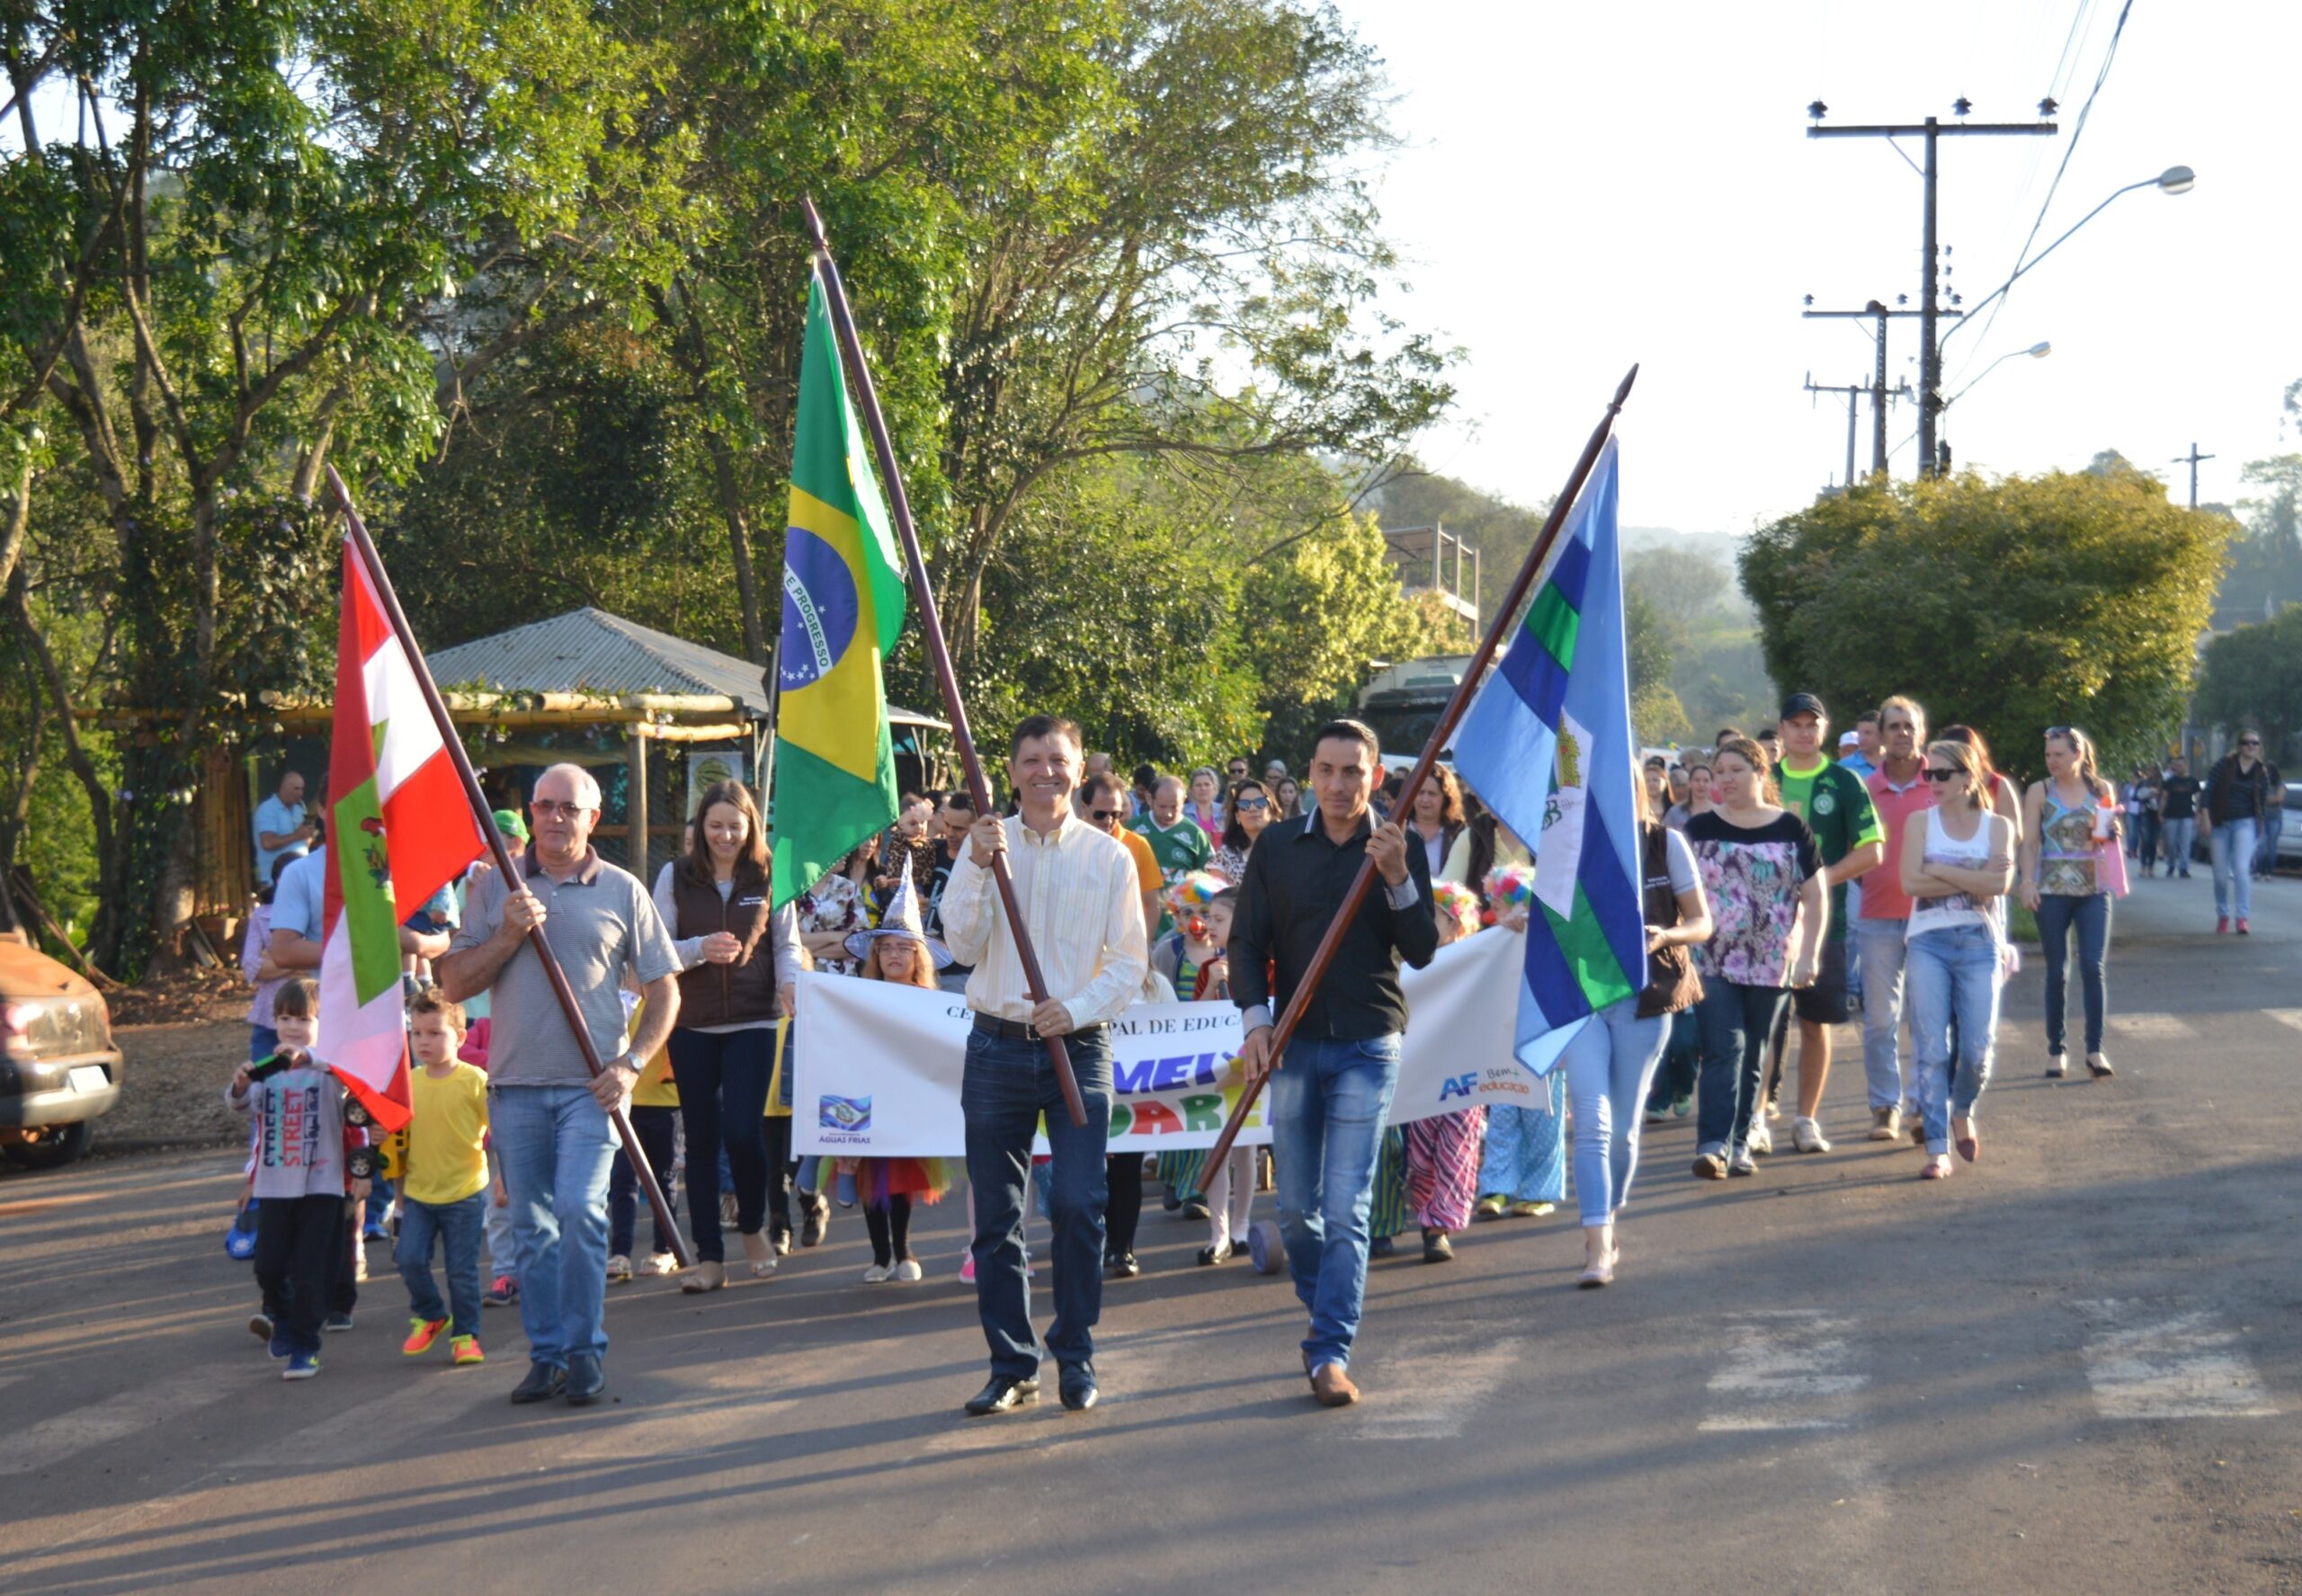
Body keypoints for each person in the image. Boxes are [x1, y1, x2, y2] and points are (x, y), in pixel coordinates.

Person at [440, 763, 683, 1409]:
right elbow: (454, 983)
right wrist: (509, 933)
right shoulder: (496, 887)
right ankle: (544, 1355)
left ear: (592, 818)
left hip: (592, 1087)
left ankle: (584, 1351)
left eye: (568, 808)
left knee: (579, 1209)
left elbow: (665, 987)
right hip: (515, 1086)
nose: (553, 817)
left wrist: (631, 1063)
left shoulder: (624, 890)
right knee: (530, 1226)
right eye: (543, 805)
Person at [943, 715, 1148, 1416]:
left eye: (1057, 759)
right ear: (1011, 769)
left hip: (1079, 1046)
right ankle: (1011, 1364)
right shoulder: (985, 850)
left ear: (1079, 764)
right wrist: (973, 863)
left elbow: (1129, 962)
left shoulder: (1109, 857)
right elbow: (962, 946)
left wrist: (1077, 1005)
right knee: (996, 1219)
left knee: (1079, 1204)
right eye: (1031, 759)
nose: (1045, 771)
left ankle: (1076, 1352)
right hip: (995, 1046)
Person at [1230, 718, 1438, 1409]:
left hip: (1367, 1043)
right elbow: (1244, 943)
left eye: (1353, 771)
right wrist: (1257, 1020)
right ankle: (1326, 1309)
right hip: (1291, 1044)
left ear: (1375, 775)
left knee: (1346, 1208)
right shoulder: (1278, 847)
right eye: (1327, 769)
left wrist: (1397, 877)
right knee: (1295, 1211)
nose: (1339, 784)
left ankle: (1329, 1350)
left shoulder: (1396, 844)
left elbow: (1423, 948)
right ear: (1310, 775)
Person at [652, 780, 802, 1289]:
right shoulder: (674, 876)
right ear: (700, 827)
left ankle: (755, 1226)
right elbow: (657, 948)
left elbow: (787, 944)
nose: (724, 835)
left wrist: (789, 982)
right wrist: (698, 949)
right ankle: (709, 1258)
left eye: (734, 826)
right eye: (715, 826)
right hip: (690, 1022)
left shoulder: (769, 872)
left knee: (742, 1131)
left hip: (754, 1020)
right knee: (699, 1140)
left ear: (750, 826)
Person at [1566, 776, 1711, 1286]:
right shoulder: (1566, 841)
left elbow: (1701, 923)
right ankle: (1598, 1243)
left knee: (1624, 1131)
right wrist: (1523, 917)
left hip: (1645, 1000)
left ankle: (1610, 1211)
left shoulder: (1664, 843)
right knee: (1592, 1121)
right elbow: (1545, 911)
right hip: (1581, 999)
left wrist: (1666, 934)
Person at [1687, 736, 1825, 1181]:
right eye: (1719, 771)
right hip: (1713, 959)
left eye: (1735, 770)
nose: (1725, 779)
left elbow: (1816, 895)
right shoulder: (1699, 829)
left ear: (1761, 774)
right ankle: (1712, 1145)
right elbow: (1679, 891)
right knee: (1724, 1046)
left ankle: (1742, 1142)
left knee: (1754, 1052)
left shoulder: (1790, 828)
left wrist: (1810, 955)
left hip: (1771, 962)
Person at [1762, 693, 1884, 1156]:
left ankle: (1805, 1119)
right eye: (1794, 725)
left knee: (1816, 1024)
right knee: (1765, 1027)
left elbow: (1873, 849)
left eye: (1811, 724)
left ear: (1825, 729)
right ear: (1782, 731)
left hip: (1823, 927)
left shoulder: (1844, 782)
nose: (1803, 732)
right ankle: (1755, 1118)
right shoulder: (1764, 780)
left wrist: (1818, 881)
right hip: (1764, 928)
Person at [228, 977, 364, 1380]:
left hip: (322, 1185)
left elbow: (355, 1081)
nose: (292, 1026)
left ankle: (305, 1345)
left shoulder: (330, 1067)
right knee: (268, 1266)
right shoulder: (266, 1070)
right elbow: (241, 1106)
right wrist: (238, 1085)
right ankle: (282, 1322)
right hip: (274, 1185)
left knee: (311, 1270)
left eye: (303, 1019)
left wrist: (312, 1057)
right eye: (285, 1017)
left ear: (324, 1023)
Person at [1901, 738, 2015, 1181]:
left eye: (1944, 774)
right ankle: (1936, 1148)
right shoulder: (1919, 822)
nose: (1934, 782)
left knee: (1976, 1049)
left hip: (1979, 943)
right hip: (1928, 942)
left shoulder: (1998, 826)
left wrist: (1940, 871)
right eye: (1929, 774)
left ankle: (1962, 1108)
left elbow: (1999, 885)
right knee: (1931, 1049)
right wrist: (1973, 879)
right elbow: (1911, 883)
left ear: (1969, 778)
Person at [842, 875, 954, 1283]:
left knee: (900, 1178)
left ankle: (904, 1250)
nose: (893, 955)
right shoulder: (859, 996)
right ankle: (879, 1256)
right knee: (870, 1176)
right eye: (885, 948)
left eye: (903, 948)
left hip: (908, 1101)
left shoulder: (929, 1001)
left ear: (917, 957)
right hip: (868, 1097)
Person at [394, 987, 489, 1367]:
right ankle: (432, 1314)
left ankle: (466, 1336)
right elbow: (397, 1136)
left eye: (435, 1033)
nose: (424, 1041)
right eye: (417, 1033)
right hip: (419, 1193)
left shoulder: (474, 1080)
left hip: (465, 1193)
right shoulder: (409, 1083)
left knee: (461, 1272)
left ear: (460, 1036)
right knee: (409, 1258)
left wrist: (504, 1179)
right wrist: (384, 1135)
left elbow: (497, 1128)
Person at [2021, 727, 2119, 1081]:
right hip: (2052, 891)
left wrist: (2112, 830)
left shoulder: (2101, 790)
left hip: (2094, 889)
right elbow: (2030, 842)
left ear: (2077, 755)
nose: (2052, 761)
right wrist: (2028, 882)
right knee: (2057, 970)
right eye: (2048, 755)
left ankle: (2095, 1050)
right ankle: (2056, 1050)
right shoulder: (2039, 791)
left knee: (2093, 966)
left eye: (2058, 755)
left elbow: (2105, 839)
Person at [1858, 696, 1933, 1140]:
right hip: (1877, 917)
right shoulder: (1864, 790)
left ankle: (1923, 1107)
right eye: (1894, 726)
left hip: (1931, 916)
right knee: (1881, 1020)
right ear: (1881, 735)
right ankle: (1885, 1106)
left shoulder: (1940, 783)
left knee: (1927, 1017)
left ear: (1920, 732)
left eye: (1909, 726)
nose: (1902, 733)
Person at [1404, 881, 1487, 1263]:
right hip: (1420, 1075)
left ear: (1456, 925)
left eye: (1434, 916)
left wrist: (1515, 925)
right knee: (1421, 1156)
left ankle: (1437, 1229)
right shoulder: (1408, 961)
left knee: (1458, 1151)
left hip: (1464, 1076)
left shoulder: (1479, 957)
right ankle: (1425, 1208)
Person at [605, 1025, 683, 1281]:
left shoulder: (665, 994)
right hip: (625, 1102)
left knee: (663, 1179)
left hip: (666, 1102)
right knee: (623, 1179)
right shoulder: (621, 997)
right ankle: (620, 1253)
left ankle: (664, 1249)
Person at [2201, 732, 2275, 934]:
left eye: (2255, 743)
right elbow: (2207, 792)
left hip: (2246, 823)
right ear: (2239, 745)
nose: (2251, 746)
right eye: (2246, 743)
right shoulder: (2224, 765)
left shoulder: (2261, 772)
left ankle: (2242, 917)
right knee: (2220, 875)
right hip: (2220, 823)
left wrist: (2260, 829)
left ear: (2259, 747)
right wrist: (2205, 818)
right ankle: (2223, 914)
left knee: (2241, 869)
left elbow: (2262, 803)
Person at [1083, 771, 1162, 947]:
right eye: (1100, 814)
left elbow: (1152, 905)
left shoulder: (1138, 845)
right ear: (1084, 807)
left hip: (1123, 946)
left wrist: (1142, 949)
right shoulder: (1066, 842)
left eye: (1116, 814)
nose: (1109, 820)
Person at [1129, 774, 1214, 914]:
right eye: (1162, 807)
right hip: (1137, 917)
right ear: (1150, 799)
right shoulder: (1132, 829)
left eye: (1174, 807)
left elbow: (1208, 881)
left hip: (1178, 923)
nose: (1168, 813)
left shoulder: (1195, 835)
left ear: (1184, 801)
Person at [252, 767, 315, 890]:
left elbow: (302, 842)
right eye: (296, 788)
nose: (300, 793)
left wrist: (308, 836)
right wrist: (297, 835)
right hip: (275, 881)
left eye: (302, 789)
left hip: (298, 878)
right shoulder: (267, 809)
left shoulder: (299, 810)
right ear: (283, 787)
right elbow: (267, 843)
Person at [1404, 766, 1468, 881]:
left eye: (1432, 794)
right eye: (1420, 793)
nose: (1425, 799)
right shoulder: (1397, 828)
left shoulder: (1459, 831)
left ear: (1446, 798)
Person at [1211, 777, 1275, 884]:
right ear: (1237, 816)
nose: (1253, 809)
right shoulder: (1225, 855)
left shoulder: (1286, 848)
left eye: (1260, 802)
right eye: (1244, 804)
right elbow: (1217, 895)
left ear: (1271, 811)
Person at [2158, 756, 2199, 878]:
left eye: (2180, 765)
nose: (2177, 768)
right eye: (2175, 766)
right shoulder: (2170, 781)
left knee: (2185, 843)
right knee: (2170, 842)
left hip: (2187, 816)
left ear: (2186, 766)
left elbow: (2198, 799)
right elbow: (2164, 798)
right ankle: (2171, 864)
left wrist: (2199, 815)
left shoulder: (2193, 781)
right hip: (2171, 815)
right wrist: (2160, 813)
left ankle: (2183, 868)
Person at [2131, 765, 2164, 877]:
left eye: (2154, 770)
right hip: (2145, 813)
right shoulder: (2143, 783)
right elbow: (2135, 797)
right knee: (2145, 840)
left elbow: (2165, 798)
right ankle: (2143, 866)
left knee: (2153, 842)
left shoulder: (2162, 783)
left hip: (2157, 814)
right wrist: (2147, 794)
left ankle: (2151, 867)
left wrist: (2158, 794)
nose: (2151, 772)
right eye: (2150, 770)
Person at [1662, 760, 1712, 832]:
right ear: (1689, 783)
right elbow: (1663, 837)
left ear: (1712, 784)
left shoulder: (1720, 813)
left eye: (1706, 781)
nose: (1701, 784)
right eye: (1697, 780)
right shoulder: (1675, 812)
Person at [2259, 759, 2288, 880]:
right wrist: (2270, 798)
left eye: (2267, 771)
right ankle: (2258, 870)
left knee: (2272, 846)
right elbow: (2257, 797)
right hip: (2262, 817)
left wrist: (2266, 799)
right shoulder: (2261, 783)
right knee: (2261, 845)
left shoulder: (2280, 784)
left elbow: (2278, 799)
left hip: (2275, 818)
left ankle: (2269, 872)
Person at [1184, 766, 1225, 843]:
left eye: (1207, 784)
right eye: (1198, 785)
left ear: (1215, 788)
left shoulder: (1224, 811)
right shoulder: (1183, 812)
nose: (1203, 788)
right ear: (1191, 789)